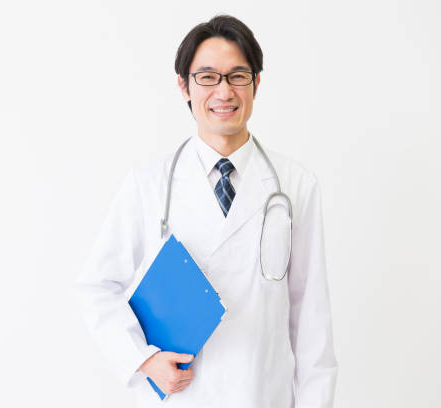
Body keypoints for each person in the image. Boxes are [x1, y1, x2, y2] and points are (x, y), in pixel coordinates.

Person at [75, 14, 338, 408]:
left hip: (261, 396)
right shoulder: (148, 185)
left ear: (257, 83)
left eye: (238, 76)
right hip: (183, 397)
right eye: (208, 77)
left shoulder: (295, 186)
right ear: (184, 86)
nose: (224, 91)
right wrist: (142, 359)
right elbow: (97, 286)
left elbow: (312, 323)